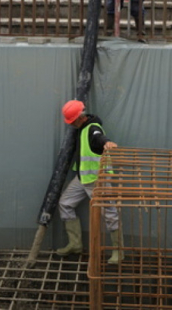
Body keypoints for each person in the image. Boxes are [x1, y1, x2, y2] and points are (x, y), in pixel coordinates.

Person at [56, 99, 124, 264]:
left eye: (72, 122)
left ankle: (119, 252)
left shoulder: (92, 128)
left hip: (97, 180)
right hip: (83, 178)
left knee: (110, 213)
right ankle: (75, 244)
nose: (71, 125)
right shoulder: (83, 128)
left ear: (79, 118)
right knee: (65, 203)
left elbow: (99, 138)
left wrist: (106, 143)